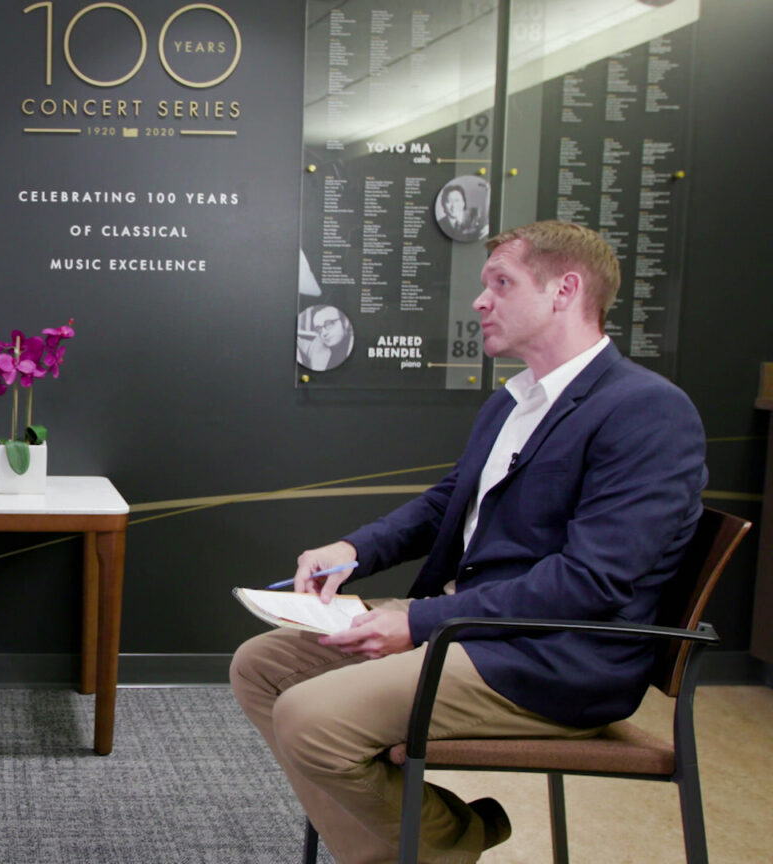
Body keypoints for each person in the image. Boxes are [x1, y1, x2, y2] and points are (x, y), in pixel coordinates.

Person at [232, 220, 706, 863]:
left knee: (309, 720)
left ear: (565, 290)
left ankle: (449, 842)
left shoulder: (648, 411)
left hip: (556, 657)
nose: (480, 302)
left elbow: (591, 581)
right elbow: (445, 505)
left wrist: (422, 622)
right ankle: (420, 851)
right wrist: (354, 550)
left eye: (500, 284)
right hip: (480, 625)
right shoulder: (513, 402)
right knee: (260, 666)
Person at [296, 305, 352, 372]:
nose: (323, 333)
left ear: (345, 322)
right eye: (319, 329)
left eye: (329, 324)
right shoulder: (315, 347)